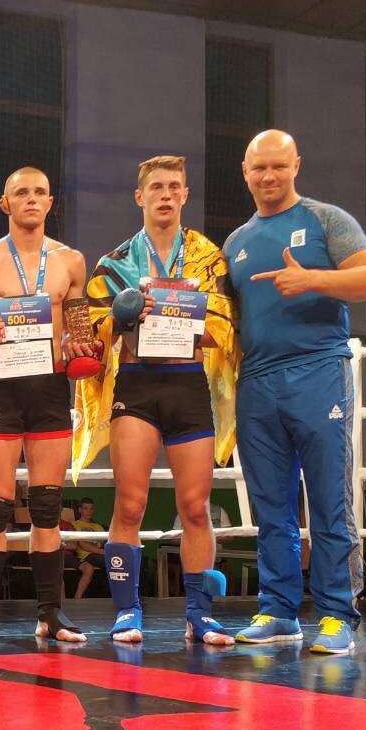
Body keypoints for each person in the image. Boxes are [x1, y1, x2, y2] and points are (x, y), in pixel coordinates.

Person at [222, 130, 366, 654]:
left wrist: (313, 279)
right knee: (271, 506)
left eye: (278, 165)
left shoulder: (326, 220)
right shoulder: (235, 242)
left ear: (296, 165)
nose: (269, 176)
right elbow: (229, 320)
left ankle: (338, 613)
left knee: (328, 498)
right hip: (256, 380)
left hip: (318, 370)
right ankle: (278, 611)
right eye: (259, 167)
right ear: (245, 172)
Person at [71, 155, 239, 646]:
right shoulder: (115, 263)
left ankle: (199, 616)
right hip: (137, 385)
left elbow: (226, 328)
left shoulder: (209, 257)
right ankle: (127, 612)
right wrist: (122, 316)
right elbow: (93, 337)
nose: (165, 195)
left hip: (187, 384)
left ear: (185, 195)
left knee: (195, 507)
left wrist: (180, 319)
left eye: (173, 187)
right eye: (156, 187)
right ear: (139, 196)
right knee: (130, 504)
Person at [0, 167, 89, 643]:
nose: (31, 199)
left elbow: (79, 330)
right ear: (5, 203)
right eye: (21, 193)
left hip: (50, 388)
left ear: (50, 202)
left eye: (39, 193)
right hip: (2, 388)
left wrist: (81, 347)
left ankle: (50, 613)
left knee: (48, 506)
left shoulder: (71, 261)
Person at [70, 498, 105, 600]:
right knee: (109, 560)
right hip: (86, 556)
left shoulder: (98, 527)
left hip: (100, 554)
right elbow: (82, 544)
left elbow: (106, 543)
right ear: (80, 510)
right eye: (85, 508)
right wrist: (103, 552)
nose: (89, 511)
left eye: (91, 509)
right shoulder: (74, 524)